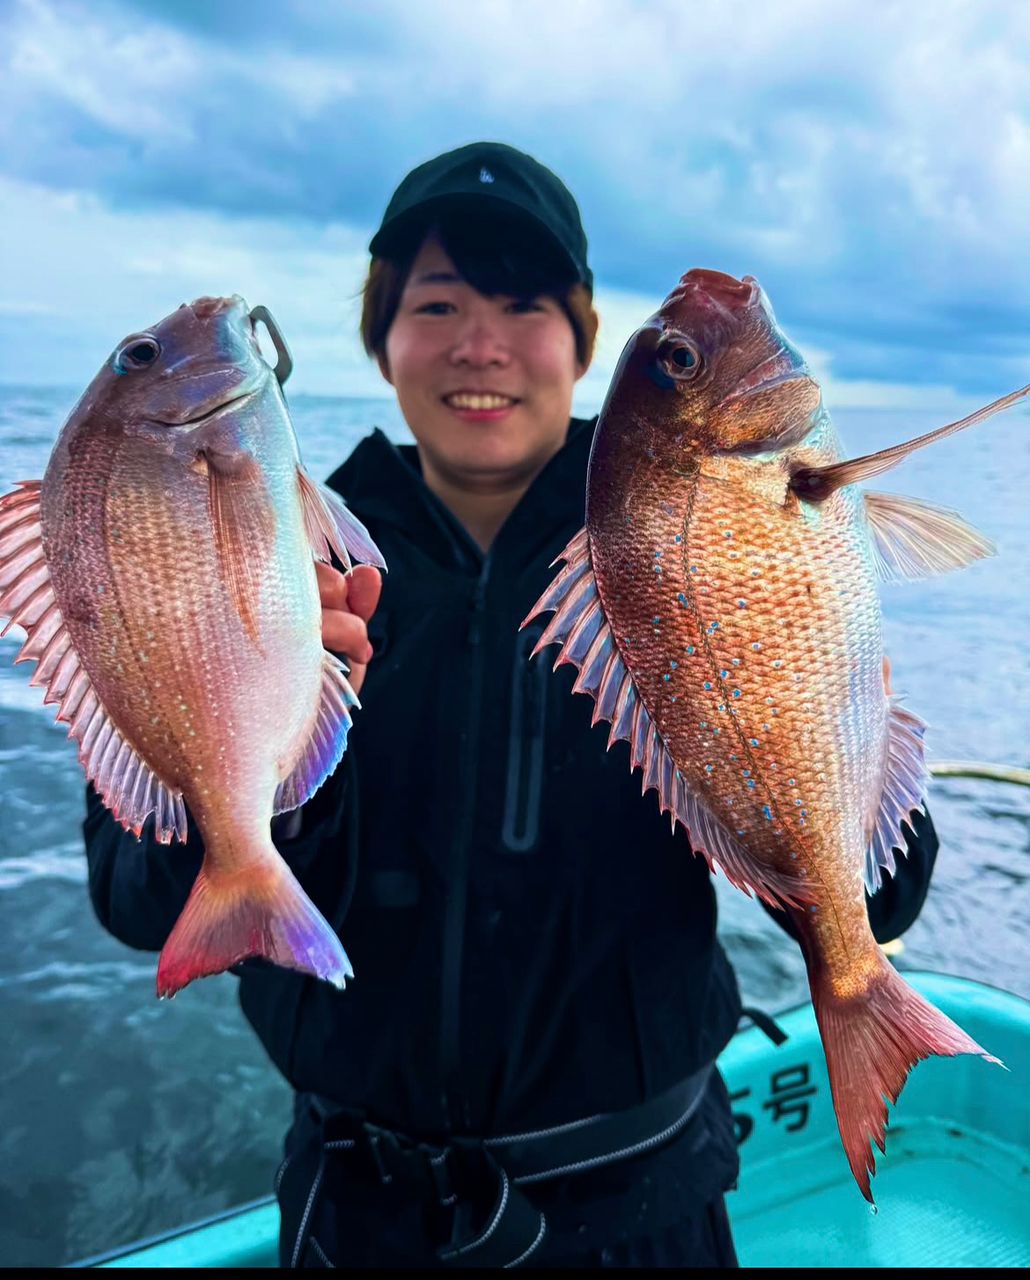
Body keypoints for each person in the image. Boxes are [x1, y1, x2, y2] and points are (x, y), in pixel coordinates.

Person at [82, 141, 940, 1268]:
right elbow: (134, 895)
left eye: (524, 304)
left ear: (584, 342)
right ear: (380, 339)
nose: (479, 344)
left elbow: (895, 884)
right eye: (436, 302)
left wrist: (828, 703)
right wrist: (251, 753)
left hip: (649, 1199)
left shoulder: (688, 548)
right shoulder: (261, 557)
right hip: (356, 1208)